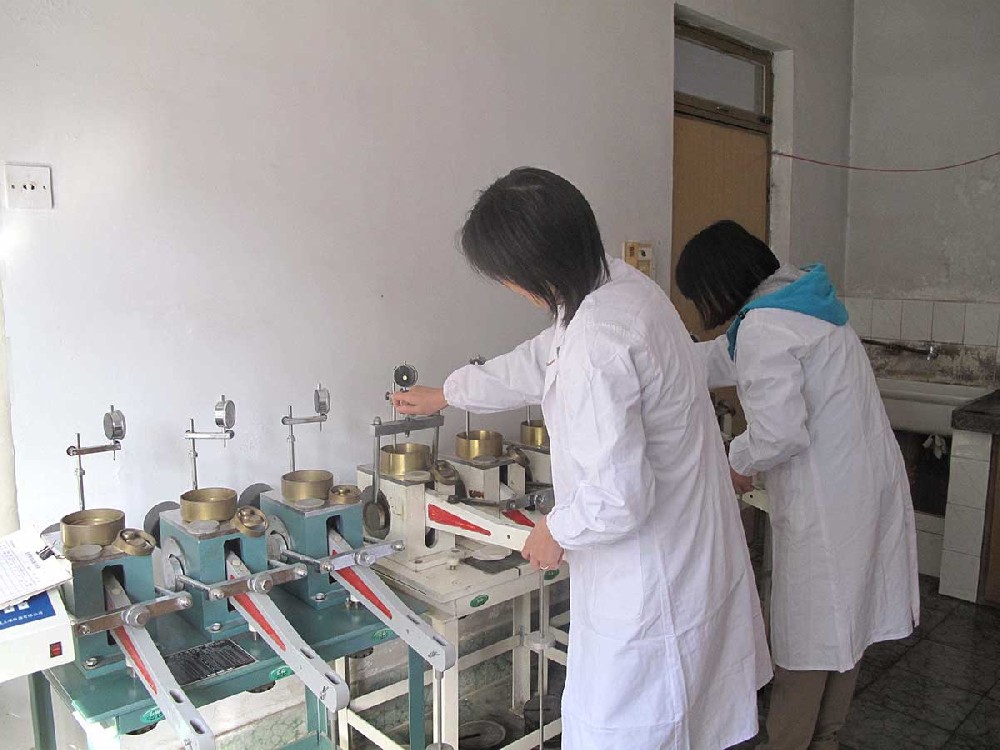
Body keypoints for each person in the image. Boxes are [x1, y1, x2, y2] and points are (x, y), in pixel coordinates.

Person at [392, 168, 771, 750]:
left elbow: (618, 499)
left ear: (534, 268)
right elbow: (538, 359)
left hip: (649, 579)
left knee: (631, 729)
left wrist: (556, 530)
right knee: (680, 719)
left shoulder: (598, 340)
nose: (510, 288)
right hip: (683, 556)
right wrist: (449, 392)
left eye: (506, 277)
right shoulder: (619, 288)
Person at [676, 220, 920, 750]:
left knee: (808, 638)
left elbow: (779, 433)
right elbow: (726, 358)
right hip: (861, 489)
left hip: (827, 505)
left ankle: (789, 741)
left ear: (718, 284)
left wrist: (736, 460)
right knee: (847, 624)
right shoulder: (801, 304)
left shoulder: (764, 325)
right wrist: (666, 360)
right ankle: (826, 738)